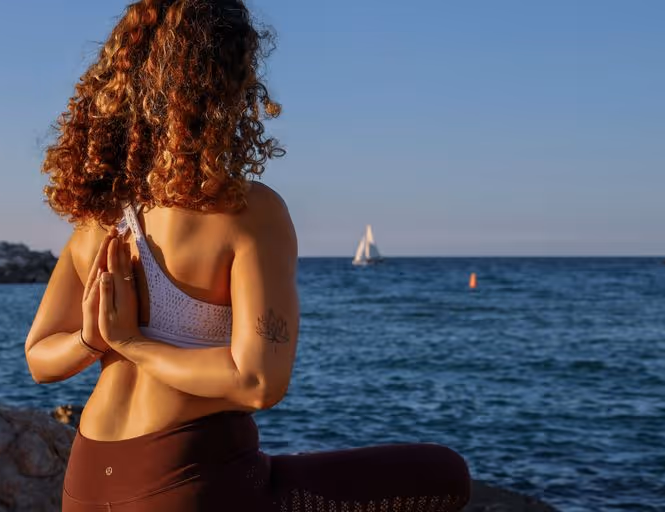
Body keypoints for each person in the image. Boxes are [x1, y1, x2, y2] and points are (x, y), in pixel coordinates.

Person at [24, 1, 471, 510]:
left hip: (86, 482)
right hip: (184, 481)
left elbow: (39, 358)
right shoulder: (247, 210)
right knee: (444, 472)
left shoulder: (100, 221)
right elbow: (257, 382)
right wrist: (131, 342)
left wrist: (90, 339)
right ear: (230, 81)